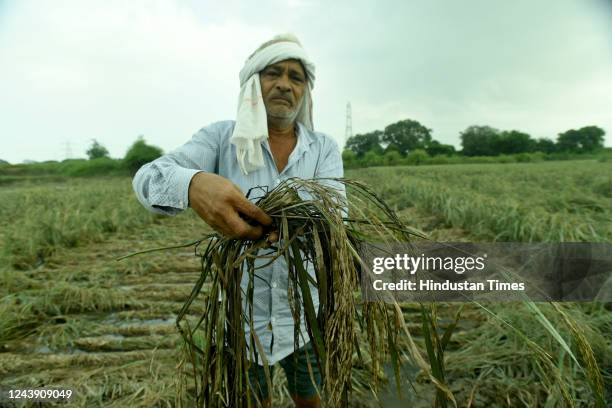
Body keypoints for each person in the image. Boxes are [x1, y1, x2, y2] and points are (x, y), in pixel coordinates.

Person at [132, 33, 344, 408]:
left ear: (305, 91)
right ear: (252, 84)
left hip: (303, 311)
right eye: (273, 73)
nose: (284, 84)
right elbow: (149, 179)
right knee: (250, 399)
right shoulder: (220, 138)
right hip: (240, 315)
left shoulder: (323, 147)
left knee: (311, 396)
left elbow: (337, 212)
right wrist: (194, 183)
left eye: (296, 77)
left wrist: (300, 227)